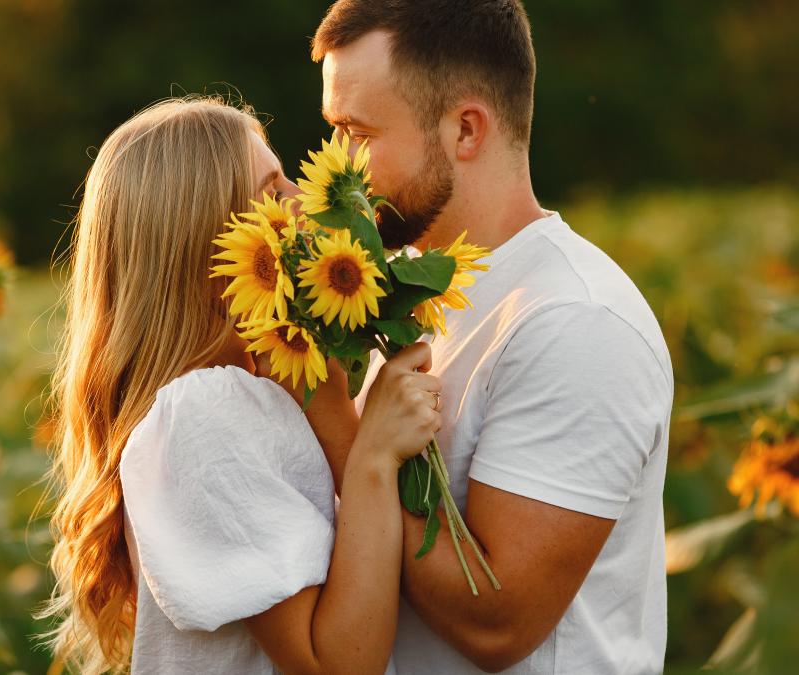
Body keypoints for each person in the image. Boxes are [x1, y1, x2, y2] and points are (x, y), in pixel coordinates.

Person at [308, 1, 674, 673]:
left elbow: (496, 621)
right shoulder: (394, 287)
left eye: (355, 132)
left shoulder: (575, 322)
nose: (337, 165)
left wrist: (334, 421)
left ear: (466, 129)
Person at [40, 96, 443, 675]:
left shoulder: (248, 396)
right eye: (275, 194)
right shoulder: (204, 413)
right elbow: (335, 665)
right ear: (210, 245)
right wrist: (375, 455)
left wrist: (327, 401)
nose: (304, 207)